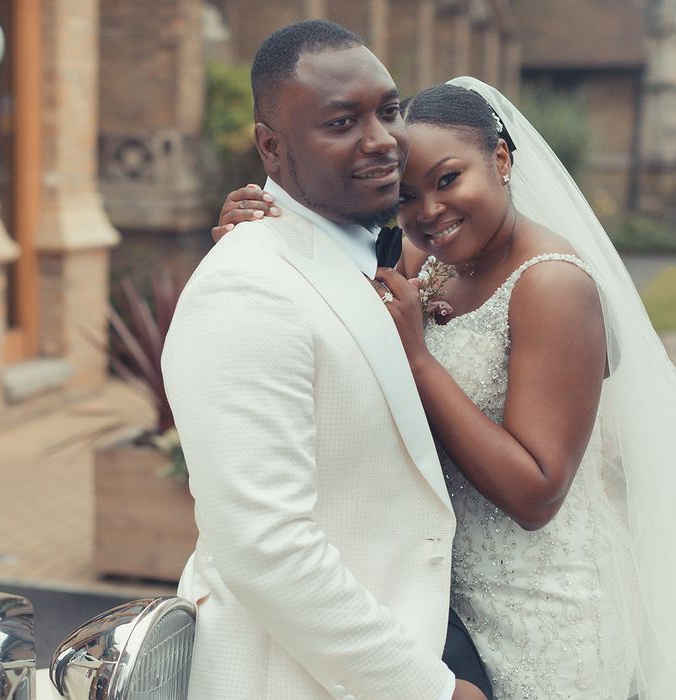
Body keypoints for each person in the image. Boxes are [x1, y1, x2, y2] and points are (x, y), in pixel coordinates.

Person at [214, 77, 676, 699]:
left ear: (502, 160)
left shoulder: (552, 286)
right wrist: (263, 232)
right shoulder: (429, 259)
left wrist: (419, 359)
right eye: (405, 197)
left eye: (449, 179)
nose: (429, 211)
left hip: (541, 613)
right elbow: (331, 301)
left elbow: (538, 493)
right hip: (440, 607)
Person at [162, 20, 472, 700]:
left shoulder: (376, 250)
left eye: (389, 111)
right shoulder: (246, 288)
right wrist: (431, 690)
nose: (382, 139)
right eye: (341, 122)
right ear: (272, 148)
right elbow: (266, 549)